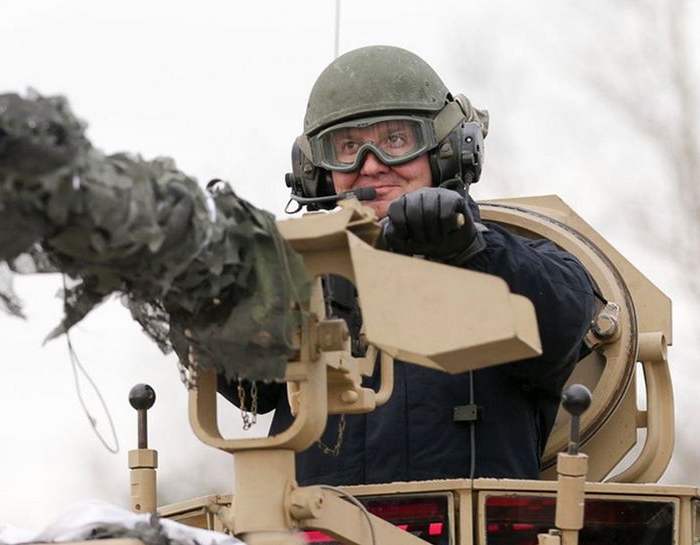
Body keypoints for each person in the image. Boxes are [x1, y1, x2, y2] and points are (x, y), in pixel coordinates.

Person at [222, 45, 597, 485]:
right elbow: (247, 382)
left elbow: (561, 323)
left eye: (396, 141)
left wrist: (468, 251)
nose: (372, 166)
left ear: (450, 150)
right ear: (316, 172)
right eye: (346, 148)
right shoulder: (295, 282)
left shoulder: (516, 264)